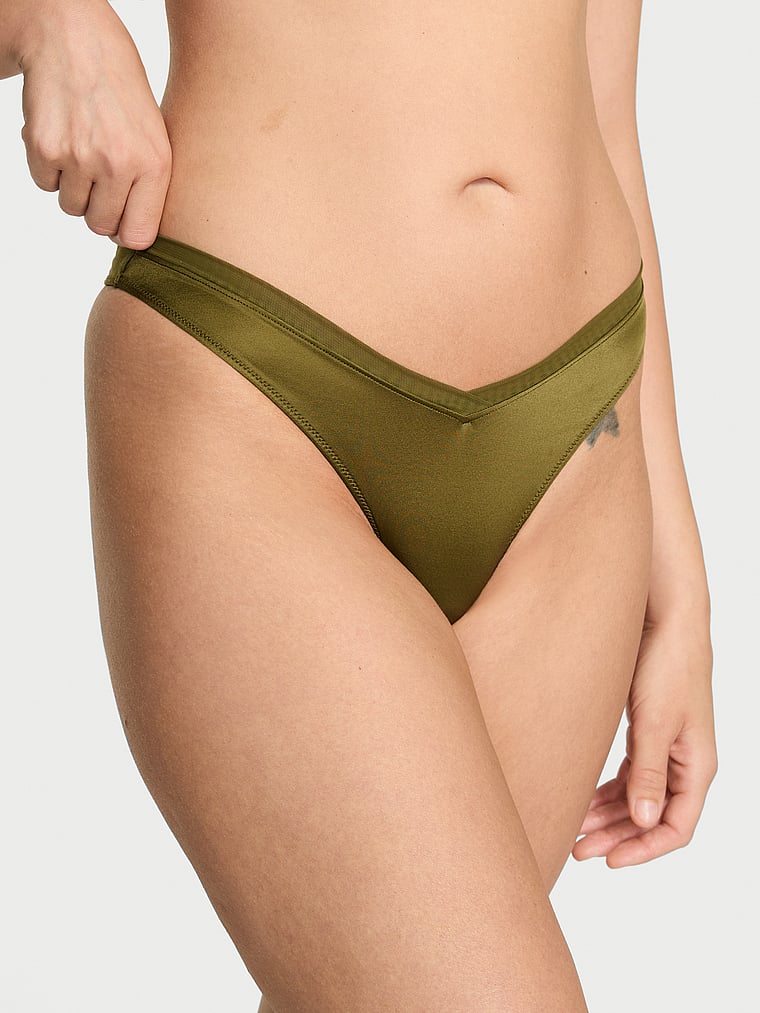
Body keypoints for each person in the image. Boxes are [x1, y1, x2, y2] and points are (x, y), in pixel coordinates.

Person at [1, 1, 717, 1009]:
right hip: (261, 384)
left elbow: (604, 104)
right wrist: (48, 19)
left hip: (579, 441)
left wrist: (678, 583)